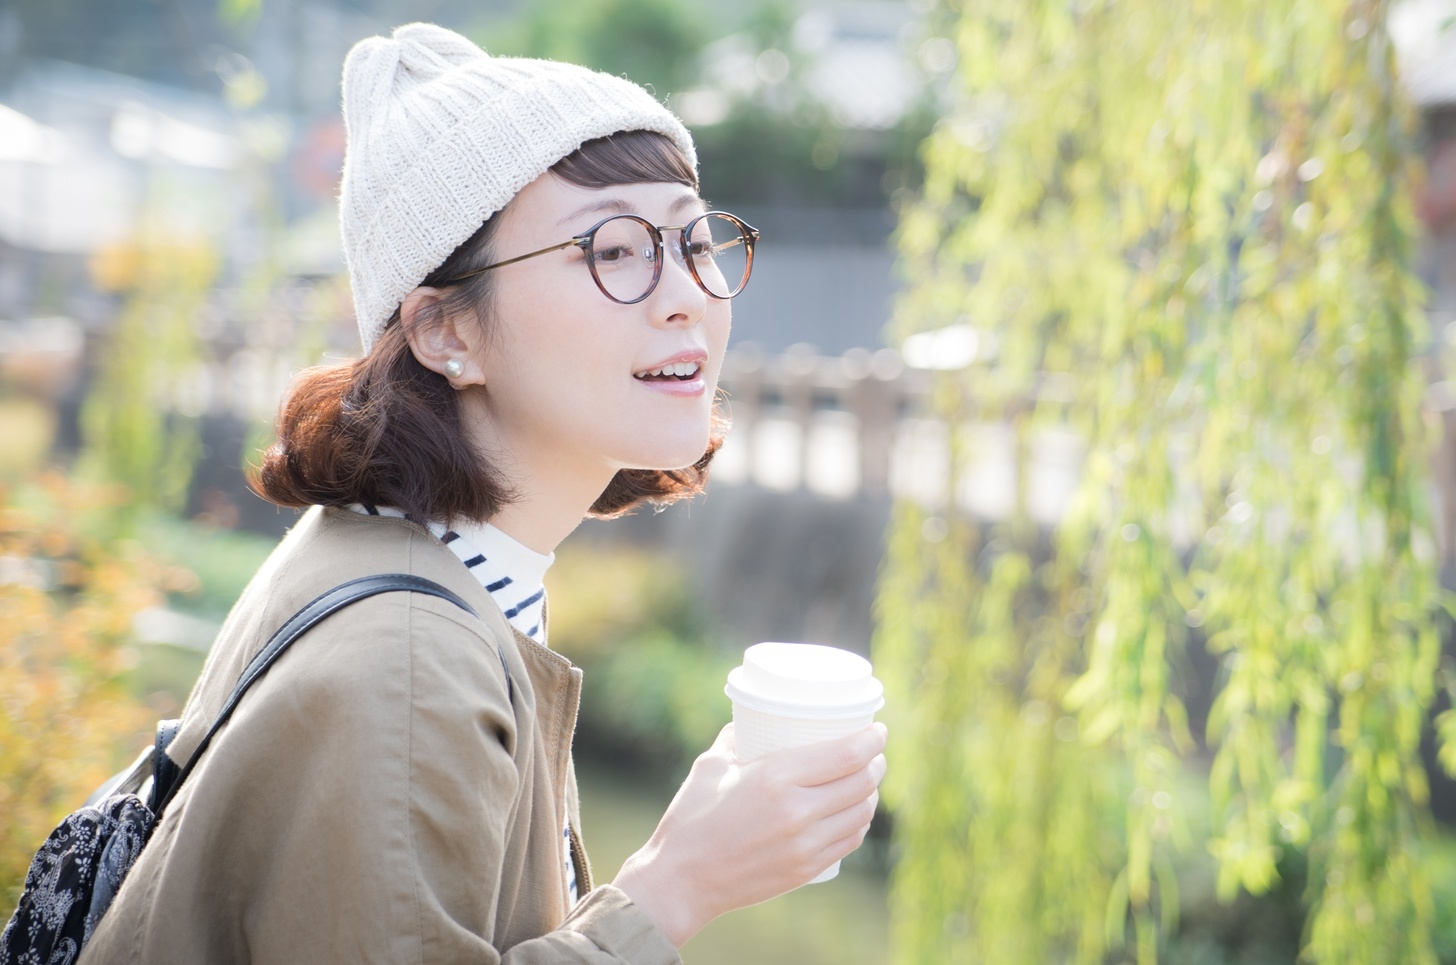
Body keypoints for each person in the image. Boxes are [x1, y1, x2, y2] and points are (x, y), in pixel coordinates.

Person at [82, 22, 887, 964]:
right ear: (446, 332)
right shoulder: (412, 666)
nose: (689, 296)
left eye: (693, 236)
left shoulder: (392, 552)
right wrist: (676, 885)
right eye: (614, 250)